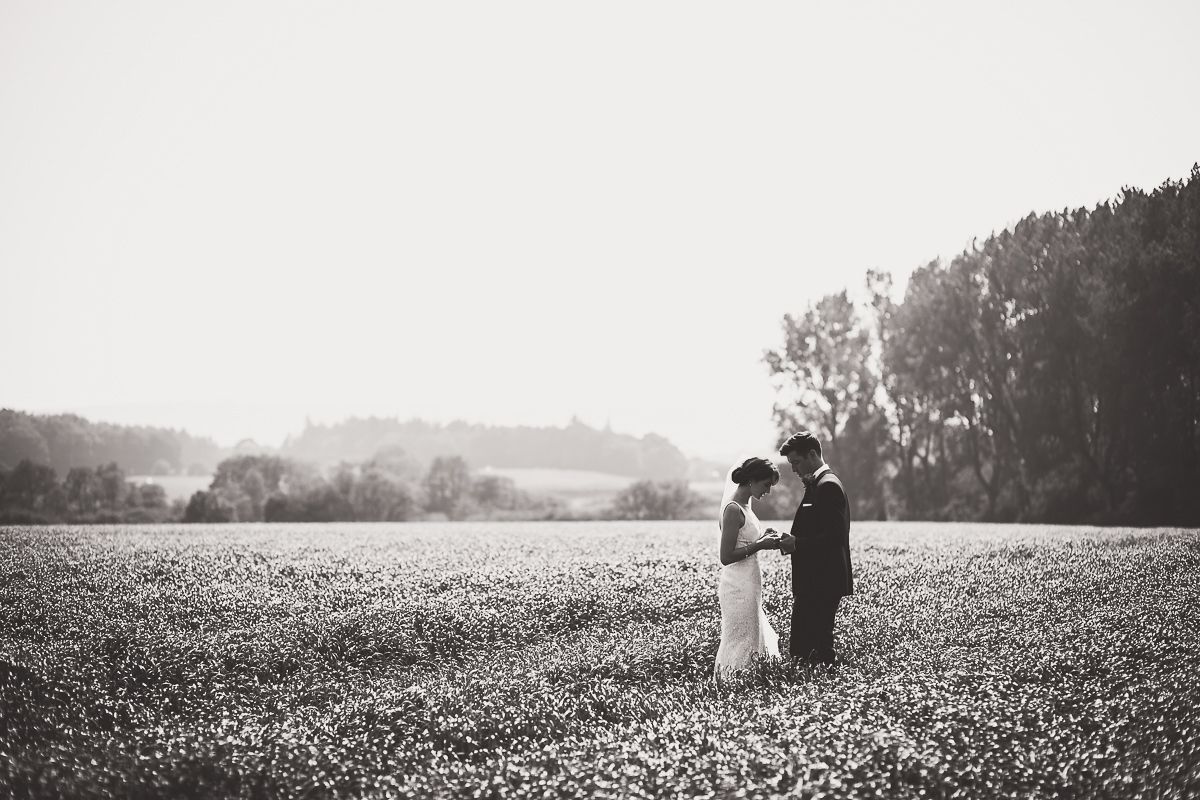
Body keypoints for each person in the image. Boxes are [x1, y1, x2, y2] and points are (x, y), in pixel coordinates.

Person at [776, 431, 853, 667]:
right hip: (814, 580)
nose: (794, 470)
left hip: (823, 581)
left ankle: (827, 696)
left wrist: (796, 544)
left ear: (812, 455)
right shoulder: (818, 484)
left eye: (796, 463)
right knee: (804, 647)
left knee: (816, 648)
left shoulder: (828, 485)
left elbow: (835, 536)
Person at [714, 456, 786, 679]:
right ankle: (733, 681)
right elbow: (726, 556)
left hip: (750, 582)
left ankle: (749, 681)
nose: (768, 491)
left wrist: (764, 539)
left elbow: (745, 541)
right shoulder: (733, 509)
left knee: (751, 635)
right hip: (737, 586)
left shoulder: (746, 506)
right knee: (741, 637)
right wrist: (760, 544)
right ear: (752, 480)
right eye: (766, 485)